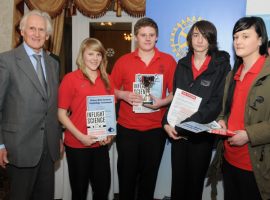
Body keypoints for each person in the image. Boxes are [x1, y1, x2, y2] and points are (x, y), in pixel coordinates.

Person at [162, 20, 231, 200]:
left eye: (204, 36)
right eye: (195, 35)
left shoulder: (221, 66)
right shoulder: (182, 64)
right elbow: (175, 98)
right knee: (177, 184)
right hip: (178, 135)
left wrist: (183, 125)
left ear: (211, 39)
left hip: (201, 135)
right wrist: (166, 123)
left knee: (194, 186)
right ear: (190, 39)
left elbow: (217, 103)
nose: (200, 40)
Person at [111, 17, 177, 200]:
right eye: (143, 35)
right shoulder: (123, 61)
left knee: (149, 177)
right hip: (127, 128)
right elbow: (110, 90)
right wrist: (123, 95)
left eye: (151, 35)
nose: (147, 39)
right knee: (126, 176)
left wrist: (162, 102)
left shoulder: (169, 61)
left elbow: (175, 92)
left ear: (157, 37)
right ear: (135, 37)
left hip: (156, 129)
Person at [0, 10, 63, 200]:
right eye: (32, 28)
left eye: (41, 30)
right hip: (19, 145)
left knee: (46, 196)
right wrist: (0, 144)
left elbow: (52, 103)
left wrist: (57, 136)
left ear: (48, 35)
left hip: (48, 145)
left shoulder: (53, 63)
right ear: (22, 31)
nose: (37, 34)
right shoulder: (6, 60)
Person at [209, 16, 270, 200]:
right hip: (229, 159)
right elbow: (226, 110)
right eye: (236, 37)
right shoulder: (232, 74)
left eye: (245, 36)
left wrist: (249, 134)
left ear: (260, 40)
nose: (238, 42)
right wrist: (221, 120)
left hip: (256, 165)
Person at [58, 38, 115, 200]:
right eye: (90, 53)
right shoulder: (70, 79)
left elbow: (109, 112)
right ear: (82, 56)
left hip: (100, 145)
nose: (95, 58)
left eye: (98, 54)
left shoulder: (108, 79)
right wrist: (81, 136)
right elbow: (61, 114)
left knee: (102, 190)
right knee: (79, 191)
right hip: (77, 144)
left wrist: (109, 135)